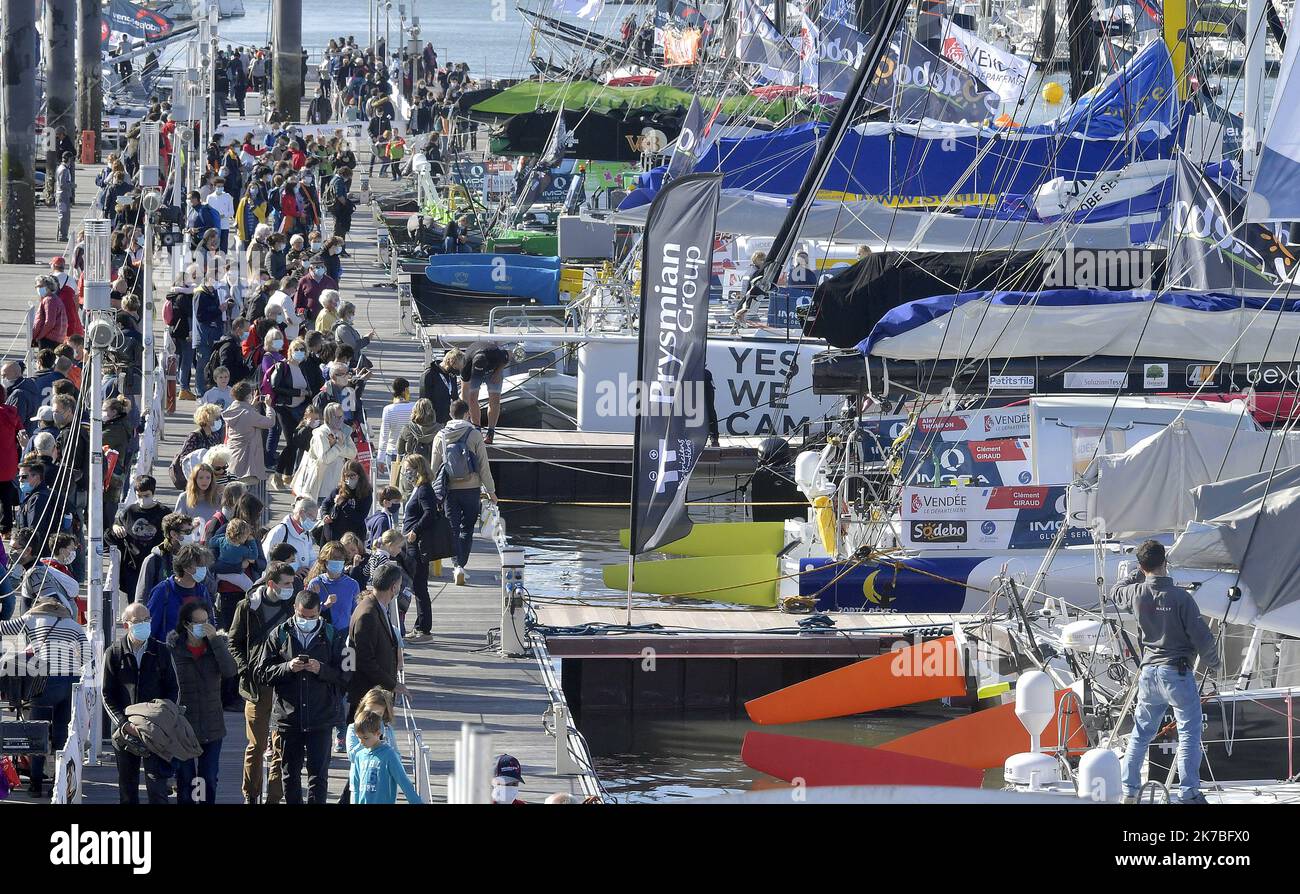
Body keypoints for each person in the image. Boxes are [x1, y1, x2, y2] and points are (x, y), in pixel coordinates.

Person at [1115, 540, 1219, 804]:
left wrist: (1137, 573)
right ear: (1165, 563)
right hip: (1178, 674)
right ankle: (1189, 793)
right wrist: (1214, 663)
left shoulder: (1136, 592)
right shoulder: (1181, 598)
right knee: (1188, 734)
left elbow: (1116, 591)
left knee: (1141, 733)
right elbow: (1202, 638)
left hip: (1149, 674)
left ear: (1141, 566)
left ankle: (1129, 791)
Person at [258, 589, 350, 804]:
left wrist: (322, 670)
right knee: (290, 775)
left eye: (312, 616)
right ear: (294, 610)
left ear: (320, 611)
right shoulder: (278, 634)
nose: (306, 620)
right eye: (302, 616)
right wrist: (287, 667)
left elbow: (347, 674)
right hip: (289, 718)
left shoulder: (333, 635)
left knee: (319, 775)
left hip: (321, 717)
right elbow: (262, 673)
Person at [229, 560, 296, 803]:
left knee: (280, 748)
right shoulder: (247, 607)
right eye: (286, 584)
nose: (291, 588)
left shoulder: (292, 607)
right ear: (271, 584)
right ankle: (250, 794)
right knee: (256, 746)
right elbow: (234, 642)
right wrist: (245, 670)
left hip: (285, 683)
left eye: (292, 583)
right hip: (257, 685)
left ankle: (274, 798)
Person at [103, 602, 179, 804]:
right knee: (127, 788)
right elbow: (107, 694)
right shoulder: (114, 653)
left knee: (158, 787)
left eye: (147, 620)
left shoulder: (161, 651)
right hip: (125, 730)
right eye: (138, 621)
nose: (144, 624)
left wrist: (162, 720)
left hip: (155, 730)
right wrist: (123, 723)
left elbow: (173, 689)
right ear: (126, 624)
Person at [167, 600, 237, 804]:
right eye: (198, 622)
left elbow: (230, 671)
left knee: (208, 779)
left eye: (206, 621)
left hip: (211, 724)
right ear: (186, 625)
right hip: (183, 726)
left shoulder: (217, 645)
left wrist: (215, 640)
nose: (203, 626)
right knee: (185, 779)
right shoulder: (173, 649)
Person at [431, 400, 497, 586]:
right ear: (467, 414)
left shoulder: (441, 435)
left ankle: (455, 565)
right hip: (471, 489)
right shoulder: (474, 434)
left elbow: (433, 468)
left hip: (449, 490)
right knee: (467, 529)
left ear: (450, 415)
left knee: (452, 528)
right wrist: (491, 491)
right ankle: (461, 565)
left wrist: (430, 491)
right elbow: (484, 466)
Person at [400, 454, 453, 640]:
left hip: (417, 544)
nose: (406, 473)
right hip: (410, 543)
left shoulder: (424, 489)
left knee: (419, 586)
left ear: (417, 469)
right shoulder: (417, 489)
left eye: (408, 469)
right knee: (417, 585)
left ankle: (424, 628)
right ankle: (419, 625)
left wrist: (414, 530)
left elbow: (430, 513)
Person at [109, 475, 169, 600]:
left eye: (146, 495)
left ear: (153, 493)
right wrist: (116, 527)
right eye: (139, 496)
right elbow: (117, 524)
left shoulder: (164, 512)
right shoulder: (129, 511)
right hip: (133, 566)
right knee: (135, 601)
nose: (142, 499)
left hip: (157, 565)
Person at [145, 542, 215, 641]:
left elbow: (210, 624)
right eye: (200, 565)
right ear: (185, 566)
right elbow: (151, 627)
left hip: (197, 652)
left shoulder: (203, 591)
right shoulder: (162, 591)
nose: (203, 569)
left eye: (204, 566)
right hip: (168, 652)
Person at [349, 709, 421, 803]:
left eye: (366, 738)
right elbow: (357, 786)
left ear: (378, 733)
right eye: (359, 738)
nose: (361, 742)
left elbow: (404, 782)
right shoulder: (359, 756)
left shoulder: (389, 755)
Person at [292, 402, 357, 500]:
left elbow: (353, 453)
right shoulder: (321, 434)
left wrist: (337, 446)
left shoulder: (344, 431)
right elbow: (325, 459)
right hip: (321, 487)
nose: (340, 420)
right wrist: (338, 447)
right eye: (337, 417)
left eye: (341, 416)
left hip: (338, 486)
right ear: (328, 417)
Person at [223, 381, 276, 487]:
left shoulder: (231, 410)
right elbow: (270, 422)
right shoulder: (249, 414)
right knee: (248, 495)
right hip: (248, 462)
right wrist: (269, 407)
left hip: (233, 456)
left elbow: (243, 414)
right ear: (248, 396)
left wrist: (251, 406)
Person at [133, 512, 194, 604]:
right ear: (174, 534)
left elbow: (210, 589)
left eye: (192, 530)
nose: (191, 535)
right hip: (163, 615)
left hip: (190, 614)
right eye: (187, 532)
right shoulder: (153, 560)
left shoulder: (196, 557)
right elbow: (141, 597)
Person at [458, 341, 510, 439]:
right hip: (473, 374)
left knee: (495, 399)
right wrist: (465, 412)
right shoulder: (466, 365)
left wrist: (498, 372)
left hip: (493, 370)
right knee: (472, 398)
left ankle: (491, 431)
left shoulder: (496, 354)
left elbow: (509, 355)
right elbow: (464, 393)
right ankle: (477, 430)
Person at [262, 496, 320, 576]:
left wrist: (313, 570)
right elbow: (266, 559)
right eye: (312, 518)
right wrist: (293, 571)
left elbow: (312, 558)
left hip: (299, 582)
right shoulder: (280, 531)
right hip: (280, 582)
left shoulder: (306, 534)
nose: (313, 522)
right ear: (302, 513)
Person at [376, 377, 415, 479]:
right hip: (411, 452)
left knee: (394, 484)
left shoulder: (388, 409)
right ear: (406, 390)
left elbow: (384, 435)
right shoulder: (414, 407)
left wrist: (380, 458)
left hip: (392, 452)